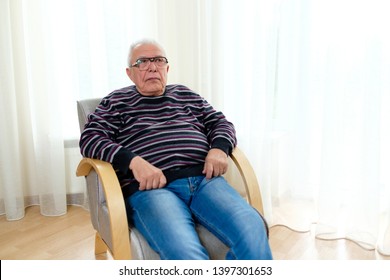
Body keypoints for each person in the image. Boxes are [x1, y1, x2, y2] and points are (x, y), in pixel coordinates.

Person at [79, 39, 273, 260]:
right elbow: (90, 138)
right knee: (184, 252)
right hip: (153, 190)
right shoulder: (116, 101)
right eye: (142, 62)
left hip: (205, 181)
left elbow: (220, 123)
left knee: (253, 228)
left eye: (159, 60)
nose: (152, 66)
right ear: (129, 73)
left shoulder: (184, 94)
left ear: (167, 68)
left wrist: (219, 148)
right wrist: (134, 162)